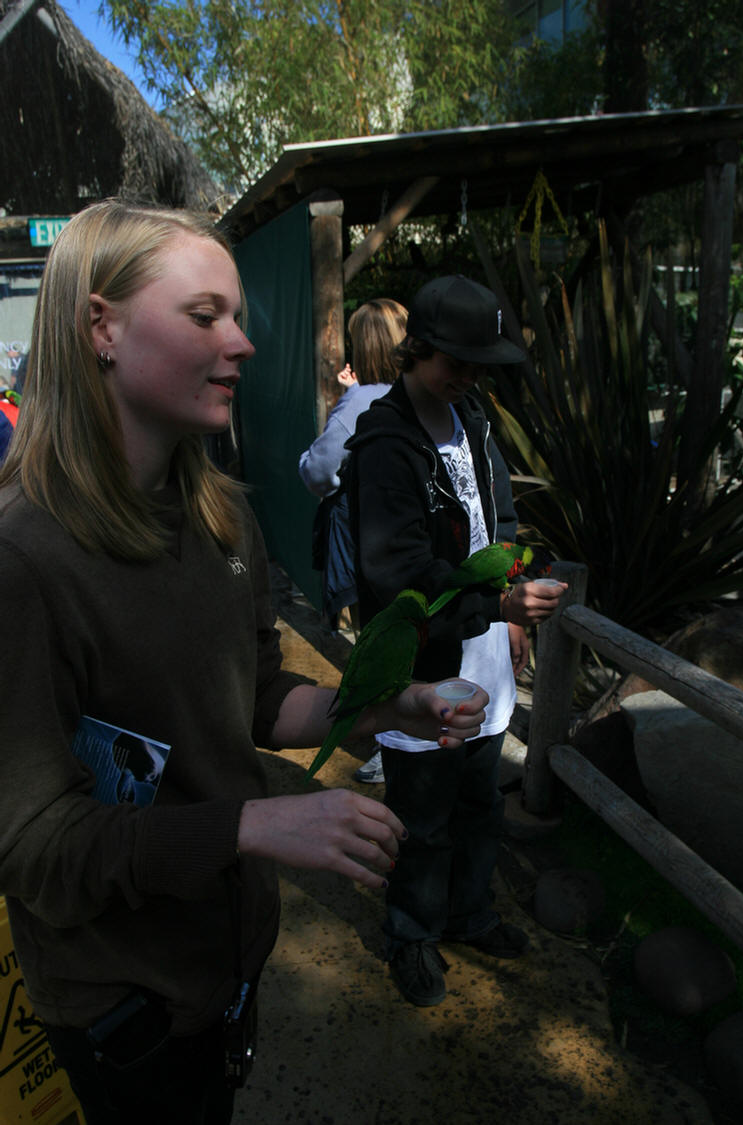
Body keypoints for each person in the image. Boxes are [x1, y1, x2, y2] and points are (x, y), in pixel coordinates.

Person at [0, 204, 489, 1124]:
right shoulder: (25, 561)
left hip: (222, 967)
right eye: (204, 315)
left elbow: (257, 697)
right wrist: (252, 824)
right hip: (125, 1003)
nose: (244, 342)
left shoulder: (223, 515)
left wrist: (380, 707)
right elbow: (33, 849)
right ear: (101, 327)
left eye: (238, 314)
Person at [346, 275, 567, 1007]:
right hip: (427, 663)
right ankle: (412, 934)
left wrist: (507, 614)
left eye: (479, 363)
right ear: (419, 350)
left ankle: (470, 914)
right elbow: (396, 573)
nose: (468, 376)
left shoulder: (468, 414)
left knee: (481, 804)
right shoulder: (384, 441)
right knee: (423, 817)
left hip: (486, 657)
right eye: (456, 361)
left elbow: (499, 516)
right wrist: (494, 601)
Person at [299, 298, 407, 785]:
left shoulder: (362, 404)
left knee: (380, 643)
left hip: (377, 550)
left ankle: (392, 743)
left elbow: (320, 470)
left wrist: (349, 400)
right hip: (422, 546)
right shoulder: (422, 394)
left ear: (362, 347)